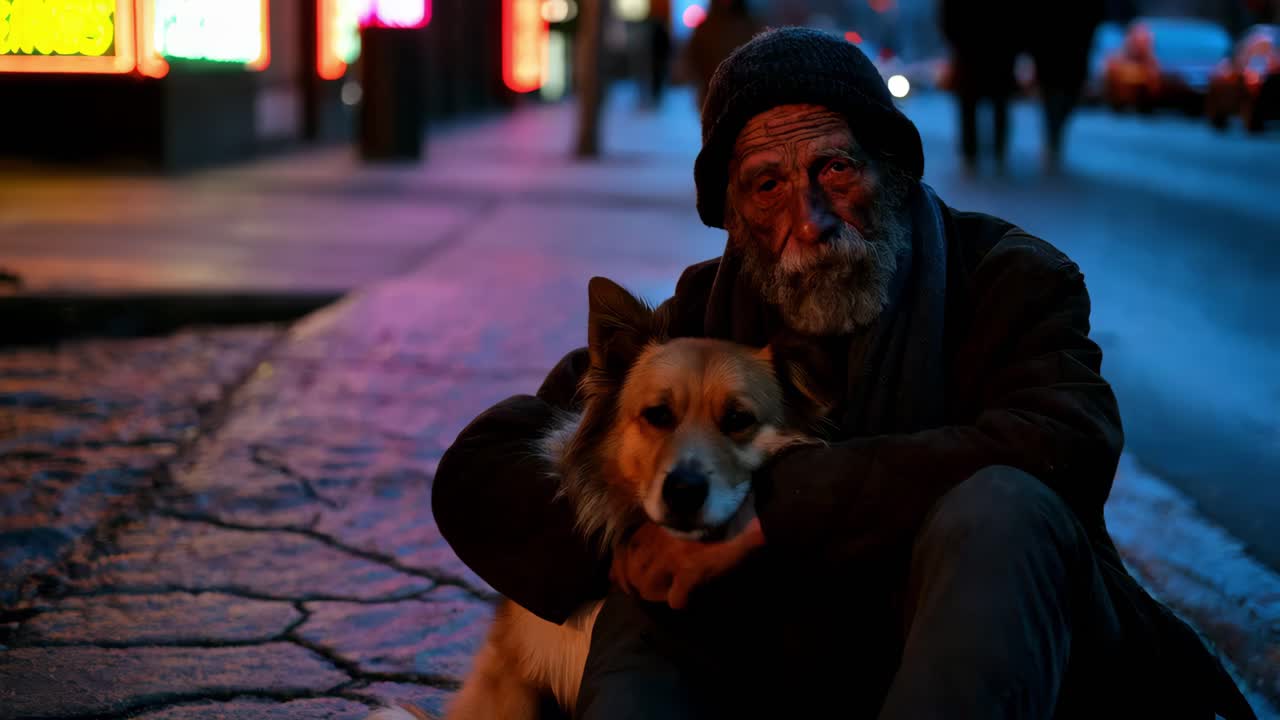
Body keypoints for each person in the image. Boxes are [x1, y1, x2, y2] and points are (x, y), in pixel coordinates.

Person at [433, 28, 1255, 720]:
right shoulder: (698, 317)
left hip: (996, 657)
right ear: (734, 212)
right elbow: (488, 464)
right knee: (649, 587)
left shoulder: (1008, 278)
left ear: (891, 169)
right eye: (767, 184)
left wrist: (771, 516)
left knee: (1002, 504)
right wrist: (640, 536)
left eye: (834, 168)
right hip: (791, 658)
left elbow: (1062, 440)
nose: (809, 217)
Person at [939, 0, 1021, 173]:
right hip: (999, 55)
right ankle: (996, 151)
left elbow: (947, 21)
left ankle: (971, 153)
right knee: (998, 104)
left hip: (971, 55)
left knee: (970, 105)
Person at [1028, 0, 1106, 172]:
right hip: (1051, 51)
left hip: (1073, 52)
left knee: (1068, 96)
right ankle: (1053, 135)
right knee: (1051, 97)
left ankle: (1055, 132)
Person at [682, 0, 763, 110]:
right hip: (712, 91)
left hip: (746, 92)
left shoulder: (750, 23)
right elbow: (695, 56)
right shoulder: (705, 27)